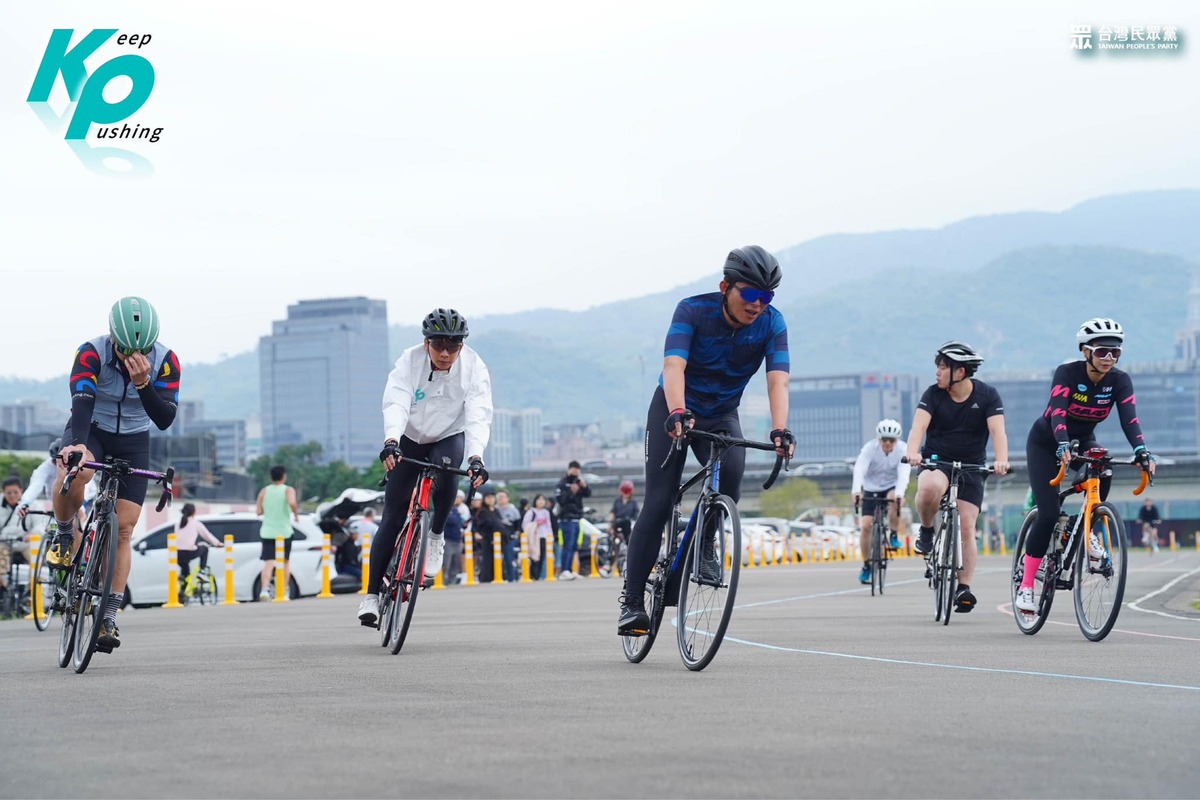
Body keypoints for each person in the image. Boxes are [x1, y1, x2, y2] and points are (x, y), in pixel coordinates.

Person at [619, 245, 795, 635]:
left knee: (731, 475)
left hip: (722, 414)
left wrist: (780, 429)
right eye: (749, 294)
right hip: (675, 405)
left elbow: (778, 380)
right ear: (725, 287)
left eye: (766, 297)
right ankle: (632, 602)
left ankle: (703, 546)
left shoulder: (772, 324)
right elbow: (672, 365)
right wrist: (678, 411)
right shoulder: (693, 310)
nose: (757, 305)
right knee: (661, 499)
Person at [43, 296, 181, 652]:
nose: (132, 357)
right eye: (124, 350)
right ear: (113, 338)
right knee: (76, 469)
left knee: (124, 527)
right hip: (92, 427)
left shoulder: (166, 362)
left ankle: (109, 616)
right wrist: (76, 447)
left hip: (135, 437)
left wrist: (143, 383)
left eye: (142, 350)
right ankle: (62, 533)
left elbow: (164, 419)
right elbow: (82, 402)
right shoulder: (91, 352)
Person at [357, 308, 491, 626]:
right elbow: (397, 401)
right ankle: (372, 596)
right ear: (426, 342)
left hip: (448, 435)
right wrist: (391, 441)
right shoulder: (409, 361)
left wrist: (476, 458)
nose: (445, 353)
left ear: (462, 346)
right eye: (438, 345)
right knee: (392, 513)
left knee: (447, 469)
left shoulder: (474, 367)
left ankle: (435, 534)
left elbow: (478, 414)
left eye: (453, 346)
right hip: (409, 436)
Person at [1015, 318, 1155, 613]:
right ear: (1085, 351)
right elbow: (1057, 413)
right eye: (1103, 351)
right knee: (1049, 512)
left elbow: (1129, 419)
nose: (1109, 358)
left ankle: (1088, 527)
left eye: (1115, 353)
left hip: (1083, 440)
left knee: (1103, 464)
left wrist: (1141, 451)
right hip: (1046, 442)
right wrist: (1063, 443)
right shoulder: (1067, 373)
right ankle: (1026, 586)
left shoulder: (1119, 380)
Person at [905, 340, 1009, 614]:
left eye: (942, 367)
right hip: (937, 461)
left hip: (972, 466)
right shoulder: (933, 394)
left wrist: (1001, 459)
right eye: (937, 367)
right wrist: (913, 452)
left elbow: (998, 432)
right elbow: (918, 426)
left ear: (960, 371)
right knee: (928, 488)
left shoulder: (988, 396)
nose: (937, 372)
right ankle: (927, 529)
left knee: (966, 524)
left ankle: (964, 587)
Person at [851, 419, 911, 585]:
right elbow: (859, 469)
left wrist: (900, 494)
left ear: (896, 440)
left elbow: (904, 474)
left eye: (891, 440)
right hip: (871, 487)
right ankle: (866, 565)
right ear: (878, 438)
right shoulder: (869, 448)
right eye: (884, 439)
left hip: (891, 486)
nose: (887, 443)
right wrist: (856, 491)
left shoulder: (903, 450)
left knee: (894, 499)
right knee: (865, 527)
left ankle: (892, 534)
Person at [256, 465, 299, 600]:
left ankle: (264, 589)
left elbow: (258, 511)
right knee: (285, 562)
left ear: (271, 477)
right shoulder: (288, 490)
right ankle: (284, 590)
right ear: (284, 476)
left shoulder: (264, 491)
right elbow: (292, 502)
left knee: (269, 562)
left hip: (267, 532)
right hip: (284, 532)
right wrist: (296, 514)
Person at [555, 461, 591, 580]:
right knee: (567, 545)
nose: (575, 472)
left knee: (574, 546)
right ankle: (564, 570)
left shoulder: (578, 482)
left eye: (577, 470)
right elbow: (561, 500)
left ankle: (570, 570)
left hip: (577, 518)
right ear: (569, 469)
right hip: (566, 518)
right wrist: (571, 492)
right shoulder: (562, 483)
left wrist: (584, 487)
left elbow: (588, 494)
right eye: (573, 469)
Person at [175, 502, 222, 587]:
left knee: (185, 571)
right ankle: (202, 572)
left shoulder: (178, 524)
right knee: (205, 548)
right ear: (193, 512)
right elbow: (207, 536)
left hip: (177, 554)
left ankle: (182, 594)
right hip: (189, 552)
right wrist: (217, 543)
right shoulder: (196, 523)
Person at [1, 478, 30, 594]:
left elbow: (39, 525)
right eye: (8, 493)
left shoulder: (31, 503)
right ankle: (3, 586)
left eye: (15, 492)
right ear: (3, 492)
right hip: (4, 542)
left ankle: (32, 587)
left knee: (35, 553)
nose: (12, 495)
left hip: (25, 542)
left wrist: (33, 534)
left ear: (21, 491)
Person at [471, 490, 501, 584]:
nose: (490, 500)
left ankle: (496, 576)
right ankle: (486, 578)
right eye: (488, 498)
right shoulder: (482, 511)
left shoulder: (496, 511)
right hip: (486, 537)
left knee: (496, 558)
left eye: (492, 497)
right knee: (486, 558)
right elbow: (478, 525)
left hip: (496, 537)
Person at [522, 494, 553, 580]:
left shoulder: (546, 512)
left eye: (543, 500)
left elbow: (549, 525)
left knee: (541, 557)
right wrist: (536, 524)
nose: (541, 501)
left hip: (543, 537)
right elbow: (525, 525)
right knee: (534, 557)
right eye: (539, 499)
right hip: (534, 538)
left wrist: (550, 536)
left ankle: (538, 576)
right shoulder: (531, 512)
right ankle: (533, 575)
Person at [496, 490, 522, 582]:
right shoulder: (495, 510)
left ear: (508, 498)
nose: (500, 499)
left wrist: (516, 535)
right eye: (499, 497)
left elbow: (518, 525)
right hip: (497, 538)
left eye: (503, 496)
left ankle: (512, 578)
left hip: (509, 538)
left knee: (509, 558)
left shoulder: (513, 510)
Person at [441, 495, 465, 584]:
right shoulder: (444, 509)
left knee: (456, 562)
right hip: (447, 539)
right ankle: (443, 580)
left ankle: (452, 580)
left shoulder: (455, 509)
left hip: (457, 539)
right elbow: (452, 520)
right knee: (446, 562)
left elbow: (460, 522)